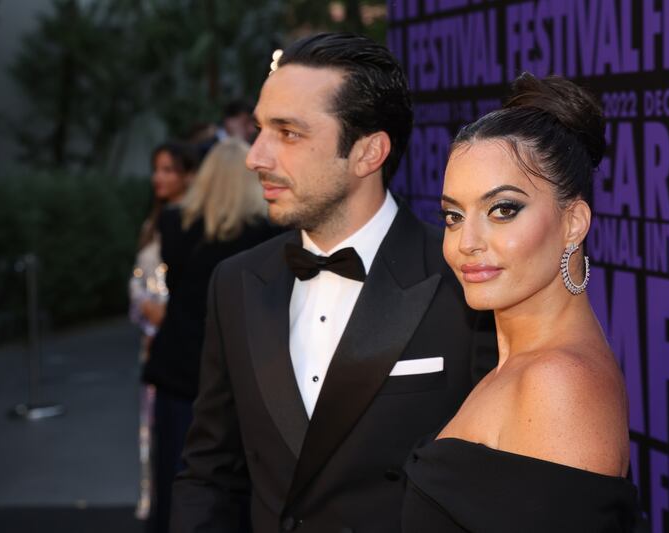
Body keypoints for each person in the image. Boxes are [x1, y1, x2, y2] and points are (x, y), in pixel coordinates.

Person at [170, 33, 497, 533]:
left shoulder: (463, 279)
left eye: (288, 133)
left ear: (368, 153)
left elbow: (497, 483)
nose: (255, 156)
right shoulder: (235, 283)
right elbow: (211, 472)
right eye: (260, 129)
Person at [401, 73, 640, 532]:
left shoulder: (557, 384)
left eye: (503, 210)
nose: (465, 242)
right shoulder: (521, 365)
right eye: (453, 216)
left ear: (574, 222)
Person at [142, 138, 276, 533]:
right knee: (235, 474)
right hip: (239, 369)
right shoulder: (264, 234)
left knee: (177, 469)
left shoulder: (174, 225)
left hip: (179, 365)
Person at [129, 141, 197, 520]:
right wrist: (144, 308)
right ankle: (155, 504)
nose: (159, 177)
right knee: (153, 432)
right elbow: (136, 281)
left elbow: (194, 290)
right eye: (156, 169)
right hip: (152, 340)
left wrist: (164, 313)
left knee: (174, 437)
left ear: (188, 175)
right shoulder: (154, 221)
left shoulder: (190, 223)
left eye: (168, 169)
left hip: (175, 342)